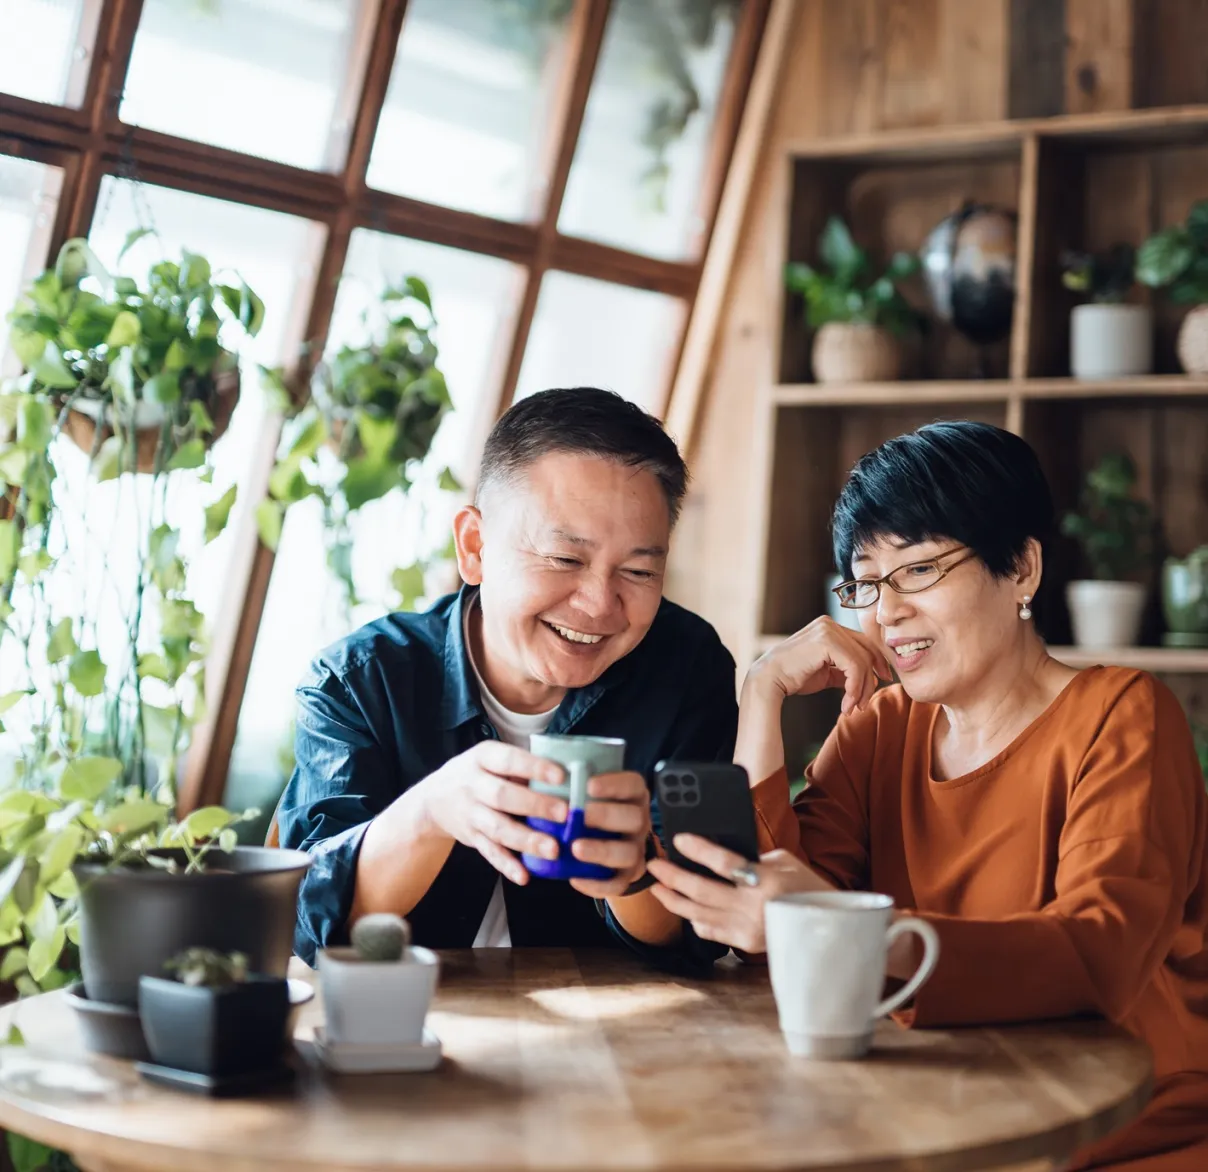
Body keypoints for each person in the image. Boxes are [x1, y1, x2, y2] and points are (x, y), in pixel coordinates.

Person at [645, 421, 1208, 1170]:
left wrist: (832, 929)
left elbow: (1096, 954)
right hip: (939, 1113)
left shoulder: (1123, 716)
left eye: (917, 571)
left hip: (1116, 1132)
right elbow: (764, 928)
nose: (884, 612)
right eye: (866, 581)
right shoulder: (882, 727)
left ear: (1022, 569)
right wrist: (761, 692)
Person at [278, 386, 737, 970]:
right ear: (475, 546)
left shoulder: (686, 668)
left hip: (615, 1039)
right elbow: (314, 927)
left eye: (639, 570)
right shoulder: (361, 682)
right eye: (565, 559)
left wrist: (635, 873)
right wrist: (433, 810)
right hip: (407, 1020)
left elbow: (703, 932)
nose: (599, 604)